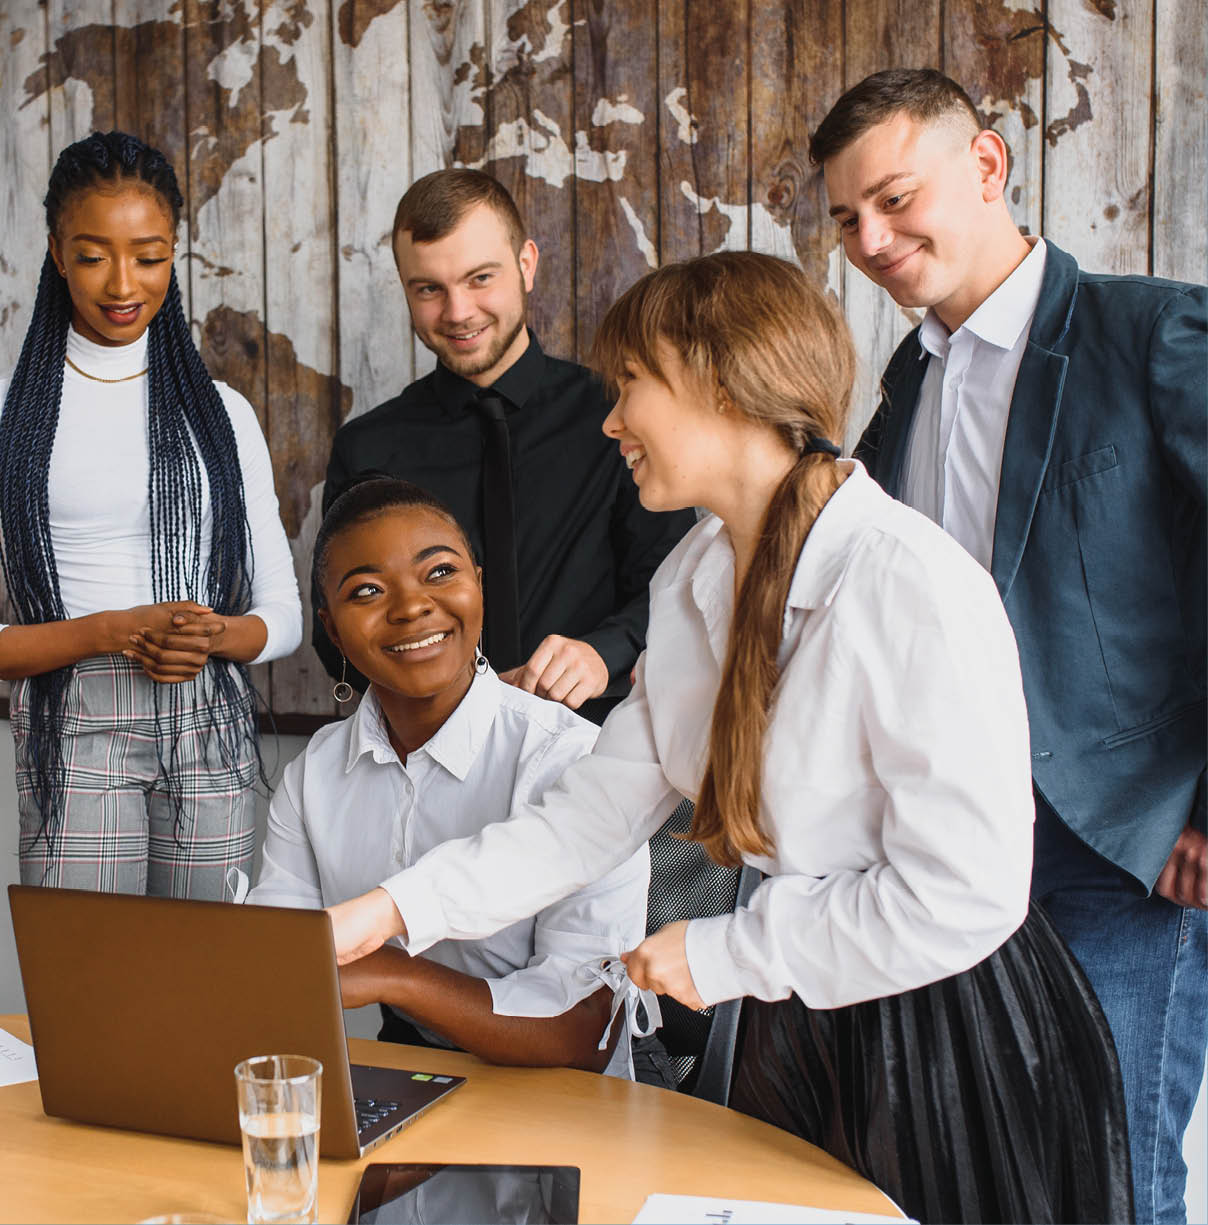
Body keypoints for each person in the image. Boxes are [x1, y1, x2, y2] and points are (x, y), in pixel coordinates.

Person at [322, 252, 1133, 1224]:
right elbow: (587, 819)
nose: (609, 419)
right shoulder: (694, 579)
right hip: (790, 1019)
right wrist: (390, 908)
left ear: (719, 385)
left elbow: (966, 893)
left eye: (631, 387)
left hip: (947, 1035)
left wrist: (724, 956)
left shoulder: (908, 582)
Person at [811, 67, 1206, 1225]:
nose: (870, 241)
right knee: (975, 1175)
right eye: (843, 220)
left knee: (1115, 1181)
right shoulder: (900, 387)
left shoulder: (1150, 331)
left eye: (892, 198)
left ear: (985, 166)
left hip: (1120, 844)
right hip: (944, 851)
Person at [249, 476, 649, 1076]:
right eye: (366, 590)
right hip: (406, 1078)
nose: (411, 606)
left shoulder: (571, 759)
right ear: (332, 629)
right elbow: (281, 966)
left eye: (439, 573)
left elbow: (583, 1034)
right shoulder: (314, 776)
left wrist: (395, 975)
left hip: (561, 1105)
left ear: (478, 587)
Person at [0, 131, 302, 899]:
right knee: (94, 984)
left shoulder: (221, 414)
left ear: (175, 252)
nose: (123, 282)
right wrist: (109, 631)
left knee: (205, 981)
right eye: (95, 254)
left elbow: (283, 617)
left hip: (207, 718)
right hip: (72, 719)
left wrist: (214, 636)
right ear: (57, 253)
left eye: (150, 253)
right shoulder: (11, 416)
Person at [316, 169, 694, 724]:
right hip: (427, 755)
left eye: (479, 278)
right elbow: (338, 630)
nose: (458, 311)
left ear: (526, 265)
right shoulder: (365, 447)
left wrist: (602, 652)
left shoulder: (619, 415)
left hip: (596, 741)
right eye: (429, 289)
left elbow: (679, 584)